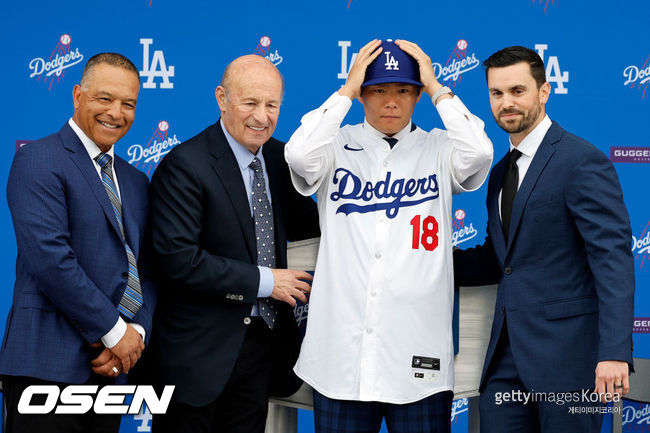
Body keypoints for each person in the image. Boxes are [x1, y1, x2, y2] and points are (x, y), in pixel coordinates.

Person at [285, 39, 493, 433]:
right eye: (378, 90)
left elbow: (480, 153)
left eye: (402, 90)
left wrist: (437, 87)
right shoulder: (335, 146)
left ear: (416, 95)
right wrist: (344, 91)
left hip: (418, 357)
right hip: (341, 361)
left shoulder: (439, 147)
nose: (391, 101)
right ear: (363, 95)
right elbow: (298, 157)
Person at [454, 46, 635, 433]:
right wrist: (426, 258)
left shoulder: (581, 160)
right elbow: (498, 259)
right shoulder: (501, 170)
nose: (506, 103)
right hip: (504, 360)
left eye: (517, 91)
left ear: (544, 91)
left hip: (569, 362)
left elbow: (613, 260)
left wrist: (615, 353)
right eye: (496, 93)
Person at [148, 54, 319, 433]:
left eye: (272, 105)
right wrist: (268, 282)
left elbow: (322, 222)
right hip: (197, 360)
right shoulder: (185, 165)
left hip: (261, 354)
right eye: (250, 103)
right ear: (222, 99)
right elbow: (179, 260)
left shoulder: (280, 158)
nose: (262, 116)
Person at [0, 52, 157, 433]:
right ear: (77, 95)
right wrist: (114, 332)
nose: (116, 113)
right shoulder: (38, 159)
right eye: (105, 98)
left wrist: (135, 334)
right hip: (46, 367)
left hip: (111, 372)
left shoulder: (136, 181)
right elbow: (51, 260)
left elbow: (146, 268)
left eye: (128, 104)